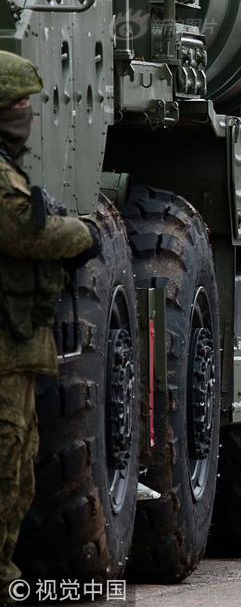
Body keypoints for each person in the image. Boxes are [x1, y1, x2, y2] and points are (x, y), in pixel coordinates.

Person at [0, 51, 101, 598]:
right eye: (19, 105)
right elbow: (24, 231)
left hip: (16, 346)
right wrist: (83, 234)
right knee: (7, 465)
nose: (28, 115)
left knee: (17, 466)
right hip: (6, 348)